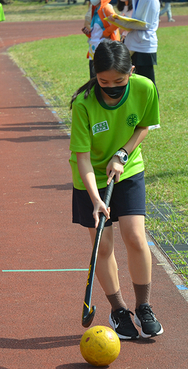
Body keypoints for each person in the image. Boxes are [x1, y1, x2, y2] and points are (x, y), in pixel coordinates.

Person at [69, 39, 163, 340]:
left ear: (131, 72)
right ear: (95, 74)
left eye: (119, 81)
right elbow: (82, 158)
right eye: (104, 81)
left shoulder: (144, 88)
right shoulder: (83, 104)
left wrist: (123, 153)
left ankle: (144, 306)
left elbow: (144, 126)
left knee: (136, 236)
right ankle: (119, 310)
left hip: (128, 167)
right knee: (104, 245)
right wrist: (96, 199)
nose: (111, 87)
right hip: (89, 179)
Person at [118, 0, 159, 85]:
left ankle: (153, 98)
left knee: (147, 84)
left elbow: (147, 24)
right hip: (133, 44)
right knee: (134, 82)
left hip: (144, 45)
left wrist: (122, 22)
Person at [82, 0, 119, 79]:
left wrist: (106, 33)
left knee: (102, 77)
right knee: (93, 78)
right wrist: (88, 33)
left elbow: (116, 22)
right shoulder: (94, 8)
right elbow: (96, 31)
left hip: (104, 48)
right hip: (93, 49)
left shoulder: (106, 7)